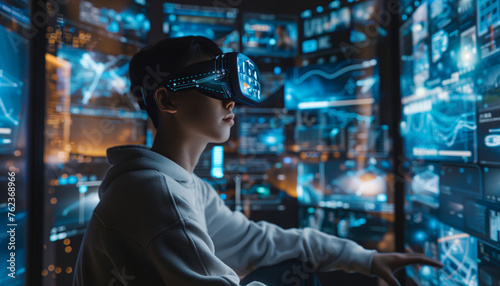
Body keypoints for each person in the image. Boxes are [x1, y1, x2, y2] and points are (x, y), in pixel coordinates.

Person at [73, 36, 442, 286]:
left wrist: (366, 259)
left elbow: (259, 242)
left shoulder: (182, 187)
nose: (230, 101)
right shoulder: (154, 193)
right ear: (168, 101)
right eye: (214, 85)